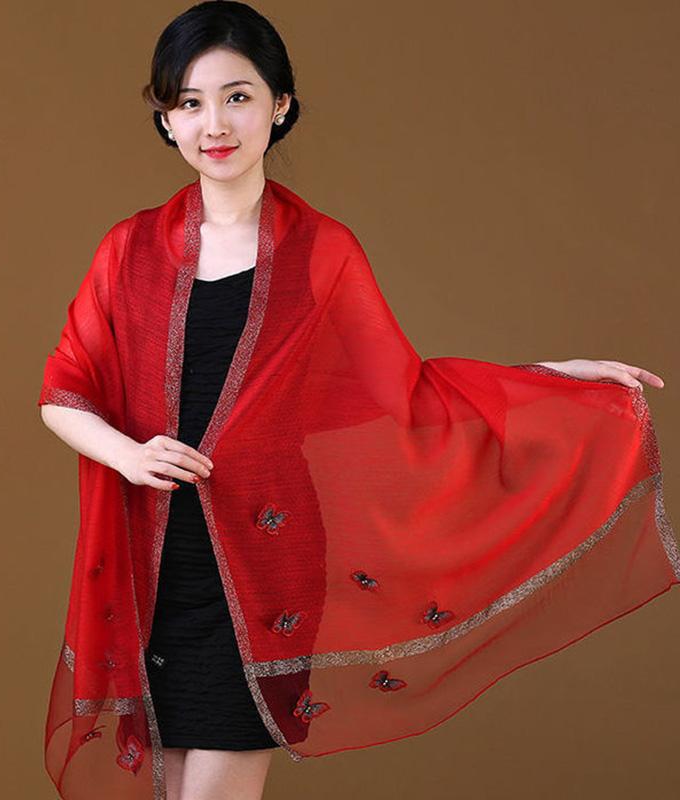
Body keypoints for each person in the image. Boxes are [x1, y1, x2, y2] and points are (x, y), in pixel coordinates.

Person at [37, 3, 675, 800]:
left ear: (281, 106)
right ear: (167, 119)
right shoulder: (128, 249)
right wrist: (129, 456)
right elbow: (62, 393)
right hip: (151, 570)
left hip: (264, 569)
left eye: (238, 97)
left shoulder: (321, 252)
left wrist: (554, 377)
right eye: (190, 103)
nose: (215, 124)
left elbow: (404, 396)